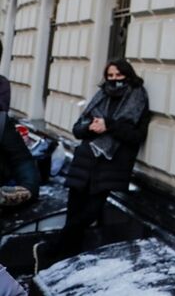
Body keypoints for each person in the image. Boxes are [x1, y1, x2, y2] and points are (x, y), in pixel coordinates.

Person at [35, 59, 150, 265]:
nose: (114, 80)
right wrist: (90, 127)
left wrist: (109, 125)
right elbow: (77, 129)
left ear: (128, 75)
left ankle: (52, 248)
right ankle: (65, 261)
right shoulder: (102, 95)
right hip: (85, 161)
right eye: (110, 76)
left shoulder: (137, 97)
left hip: (110, 165)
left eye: (118, 75)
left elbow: (135, 136)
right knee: (73, 214)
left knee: (89, 214)